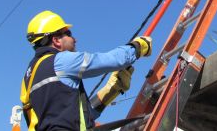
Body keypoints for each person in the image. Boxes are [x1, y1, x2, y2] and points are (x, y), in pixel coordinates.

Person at [20, 10, 152, 131]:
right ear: (56, 40)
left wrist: (111, 90)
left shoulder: (28, 78)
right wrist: (138, 46)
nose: (74, 39)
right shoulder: (62, 61)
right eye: (68, 33)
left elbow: (75, 117)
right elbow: (111, 60)